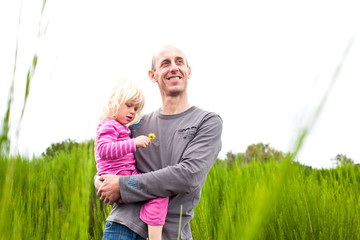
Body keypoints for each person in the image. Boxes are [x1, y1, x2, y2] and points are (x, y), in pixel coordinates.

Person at [95, 45, 223, 240]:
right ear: (152, 75)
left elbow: (188, 175)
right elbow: (110, 160)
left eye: (179, 61)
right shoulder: (137, 125)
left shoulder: (207, 122)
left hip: (171, 233)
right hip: (123, 227)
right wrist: (100, 181)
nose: (173, 67)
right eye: (165, 63)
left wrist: (122, 185)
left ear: (188, 71)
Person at [95, 78, 168, 240]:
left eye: (136, 108)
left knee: (155, 190)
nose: (132, 112)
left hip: (125, 176)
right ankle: (154, 237)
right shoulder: (109, 125)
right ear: (114, 102)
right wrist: (133, 143)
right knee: (159, 193)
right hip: (120, 177)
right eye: (128, 105)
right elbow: (103, 149)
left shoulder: (121, 127)